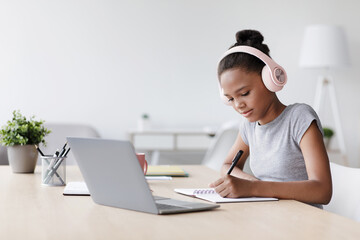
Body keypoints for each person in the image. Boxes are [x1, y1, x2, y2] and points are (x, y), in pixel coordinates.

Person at [209, 29, 332, 208]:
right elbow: (227, 165)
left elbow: (322, 190)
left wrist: (253, 187)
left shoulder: (299, 118)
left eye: (244, 93)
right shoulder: (249, 126)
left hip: (302, 223)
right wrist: (247, 183)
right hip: (267, 216)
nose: (238, 105)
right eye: (230, 99)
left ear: (270, 79)